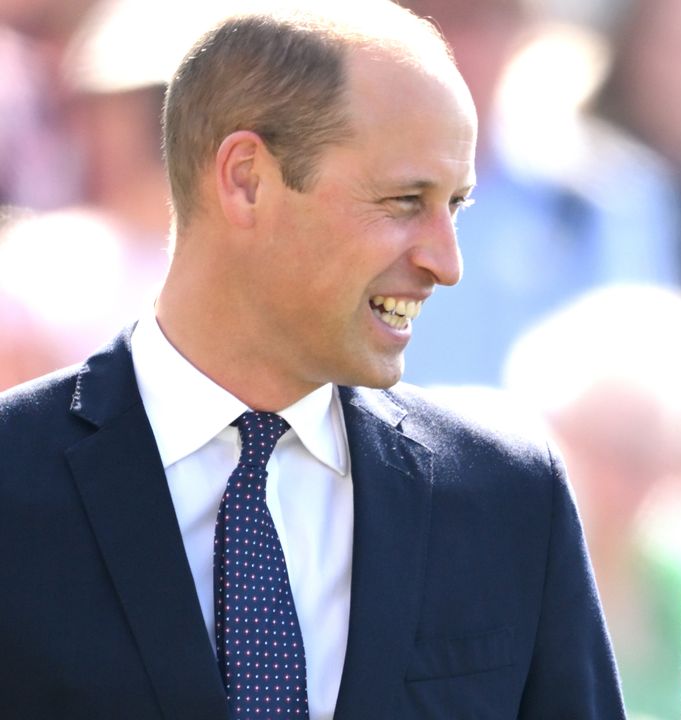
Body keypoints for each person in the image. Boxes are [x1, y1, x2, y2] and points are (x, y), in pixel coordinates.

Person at [0, 4, 624, 718]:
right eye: (403, 201)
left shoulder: (504, 495)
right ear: (246, 179)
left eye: (455, 205)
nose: (445, 262)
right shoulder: (12, 481)